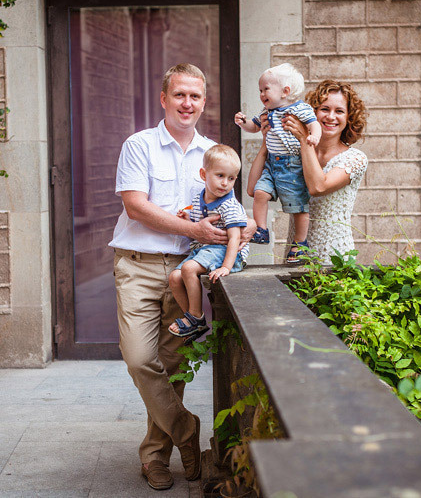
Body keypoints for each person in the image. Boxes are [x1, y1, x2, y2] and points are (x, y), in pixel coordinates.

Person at [108, 63, 255, 491]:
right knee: (139, 358)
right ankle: (187, 431)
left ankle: (157, 457)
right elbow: (136, 206)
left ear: (204, 103)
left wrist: (240, 232)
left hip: (186, 269)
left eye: (195, 96)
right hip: (137, 263)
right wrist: (193, 228)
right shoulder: (139, 145)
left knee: (173, 365)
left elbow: (231, 213)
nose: (187, 103)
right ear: (164, 99)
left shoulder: (215, 155)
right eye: (179, 95)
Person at [257, 79, 368, 262]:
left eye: (339, 111)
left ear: (349, 117)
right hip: (295, 257)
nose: (331, 117)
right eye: (324, 109)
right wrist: (267, 139)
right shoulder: (292, 153)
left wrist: (303, 139)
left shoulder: (355, 159)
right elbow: (254, 188)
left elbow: (318, 187)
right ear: (312, 112)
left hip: (335, 258)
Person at [235, 63, 321, 263]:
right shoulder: (265, 112)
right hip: (272, 165)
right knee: (259, 193)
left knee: (298, 207)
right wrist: (243, 122)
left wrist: (314, 137)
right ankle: (261, 229)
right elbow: (254, 127)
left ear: (286, 91)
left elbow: (313, 124)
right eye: (260, 90)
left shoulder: (299, 109)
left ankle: (300, 244)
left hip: (292, 165)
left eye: (266, 89)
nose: (262, 94)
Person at [168, 145, 249, 341]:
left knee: (188, 268)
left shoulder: (229, 205)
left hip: (228, 253)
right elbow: (197, 228)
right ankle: (194, 320)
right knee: (175, 277)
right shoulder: (199, 199)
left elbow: (235, 238)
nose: (225, 183)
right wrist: (188, 219)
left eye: (231, 178)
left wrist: (226, 267)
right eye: (220, 175)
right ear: (204, 174)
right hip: (204, 249)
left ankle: (195, 317)